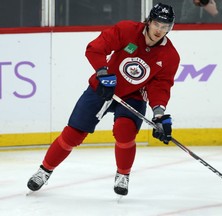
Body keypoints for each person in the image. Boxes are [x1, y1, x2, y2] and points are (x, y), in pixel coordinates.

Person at [27, 2, 180, 197]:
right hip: (103, 87)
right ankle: (44, 170)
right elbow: (95, 48)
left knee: (125, 132)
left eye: (165, 26)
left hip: (133, 95)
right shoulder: (127, 30)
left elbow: (161, 86)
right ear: (148, 21)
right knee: (73, 134)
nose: (160, 30)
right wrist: (103, 73)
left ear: (170, 28)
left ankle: (123, 174)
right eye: (157, 24)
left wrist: (159, 114)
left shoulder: (170, 56)